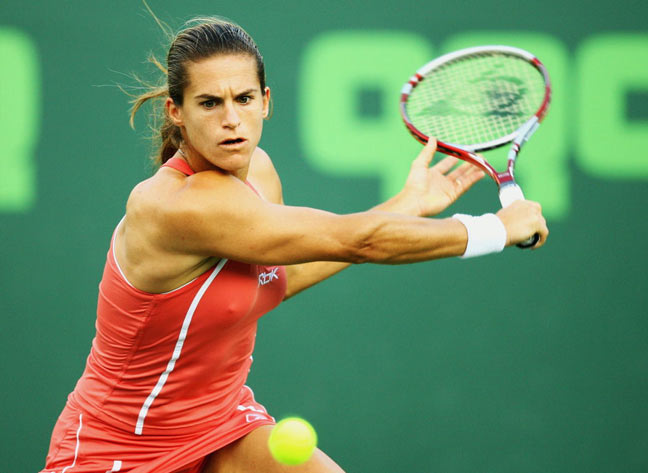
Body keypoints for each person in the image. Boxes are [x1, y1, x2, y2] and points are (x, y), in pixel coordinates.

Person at [40, 16, 548, 473]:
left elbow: (276, 279)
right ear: (176, 111)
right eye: (209, 103)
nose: (231, 119)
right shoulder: (176, 206)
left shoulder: (257, 172)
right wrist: (497, 229)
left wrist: (406, 205)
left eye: (243, 99)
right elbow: (359, 242)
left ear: (266, 100)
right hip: (118, 451)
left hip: (222, 425)